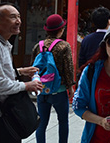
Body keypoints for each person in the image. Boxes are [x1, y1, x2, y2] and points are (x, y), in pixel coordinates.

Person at [0, 3, 42, 143]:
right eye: (12, 17)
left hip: (1, 112)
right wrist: (27, 85)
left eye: (18, 17)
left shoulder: (2, 43)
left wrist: (19, 71)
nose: (18, 21)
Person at [73, 19, 110, 143]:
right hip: (96, 138)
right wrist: (101, 121)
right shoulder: (91, 71)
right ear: (104, 44)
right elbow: (78, 106)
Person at [31, 14, 74, 143]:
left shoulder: (37, 46)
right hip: (59, 91)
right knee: (63, 122)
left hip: (42, 90)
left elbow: (33, 69)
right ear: (61, 30)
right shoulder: (64, 46)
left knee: (41, 123)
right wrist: (70, 87)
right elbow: (68, 69)